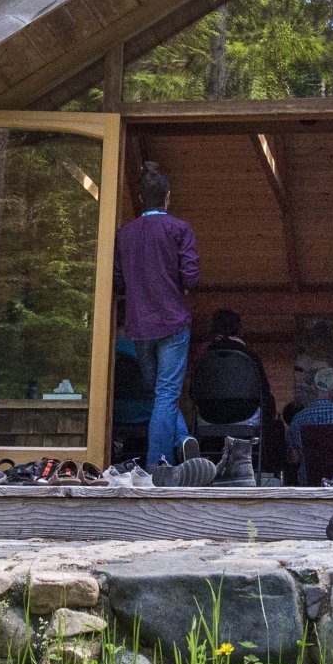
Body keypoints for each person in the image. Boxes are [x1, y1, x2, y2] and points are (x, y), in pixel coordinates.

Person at [113, 162, 200, 465]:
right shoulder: (180, 229)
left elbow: (117, 280)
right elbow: (191, 277)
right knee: (166, 395)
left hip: (139, 325)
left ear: (139, 198)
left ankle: (183, 439)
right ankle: (157, 465)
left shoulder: (124, 234)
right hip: (173, 322)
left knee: (158, 395)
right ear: (167, 197)